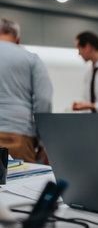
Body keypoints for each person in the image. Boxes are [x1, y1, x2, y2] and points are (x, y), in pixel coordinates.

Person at [0, 18, 53, 162]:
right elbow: (44, 99)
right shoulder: (31, 58)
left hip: (17, 130)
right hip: (18, 133)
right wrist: (41, 139)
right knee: (20, 183)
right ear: (18, 39)